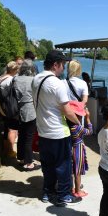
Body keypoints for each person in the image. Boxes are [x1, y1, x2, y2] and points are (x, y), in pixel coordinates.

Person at [31, 50, 82, 206]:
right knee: (64, 165)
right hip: (59, 132)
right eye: (63, 65)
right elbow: (66, 110)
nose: (64, 68)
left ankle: (48, 192)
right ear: (55, 64)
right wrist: (79, 123)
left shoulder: (36, 79)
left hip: (43, 130)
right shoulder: (57, 84)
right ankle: (64, 195)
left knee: (47, 165)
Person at [13, 59, 40, 171]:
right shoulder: (33, 80)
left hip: (18, 110)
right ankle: (29, 163)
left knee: (22, 135)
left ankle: (21, 158)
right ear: (31, 68)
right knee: (29, 137)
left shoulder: (15, 79)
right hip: (30, 110)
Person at [67, 101, 93, 198]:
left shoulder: (68, 125)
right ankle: (78, 191)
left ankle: (71, 188)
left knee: (71, 171)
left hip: (70, 149)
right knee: (77, 172)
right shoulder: (77, 128)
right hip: (78, 150)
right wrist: (88, 118)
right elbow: (90, 131)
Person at [0, 61, 19, 158]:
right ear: (14, 70)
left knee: (6, 128)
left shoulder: (1, 77)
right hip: (9, 106)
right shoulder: (11, 80)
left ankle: (6, 150)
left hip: (1, 106)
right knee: (12, 129)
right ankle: (10, 150)